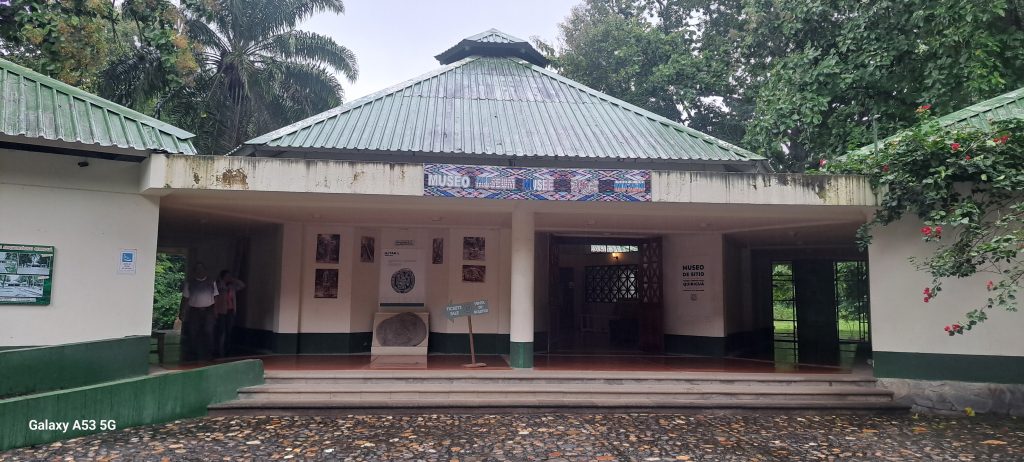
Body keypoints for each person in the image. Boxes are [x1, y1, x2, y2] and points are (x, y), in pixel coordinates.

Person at [180, 263, 218, 361]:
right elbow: (185, 298)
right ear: (194, 272)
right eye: (197, 269)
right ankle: (193, 353)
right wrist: (182, 311)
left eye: (201, 269)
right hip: (194, 310)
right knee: (193, 331)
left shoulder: (211, 282)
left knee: (209, 331)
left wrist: (216, 311)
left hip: (209, 309)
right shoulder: (190, 283)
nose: (200, 271)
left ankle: (209, 353)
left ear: (205, 271)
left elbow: (216, 297)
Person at [214, 269, 245, 357]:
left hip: (230, 310)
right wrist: (215, 311)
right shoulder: (218, 285)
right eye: (226, 276)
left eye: (229, 276)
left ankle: (227, 349)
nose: (228, 278)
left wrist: (233, 280)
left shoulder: (232, 286)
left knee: (229, 330)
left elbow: (242, 285)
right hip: (221, 311)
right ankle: (219, 350)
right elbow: (215, 298)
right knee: (222, 331)